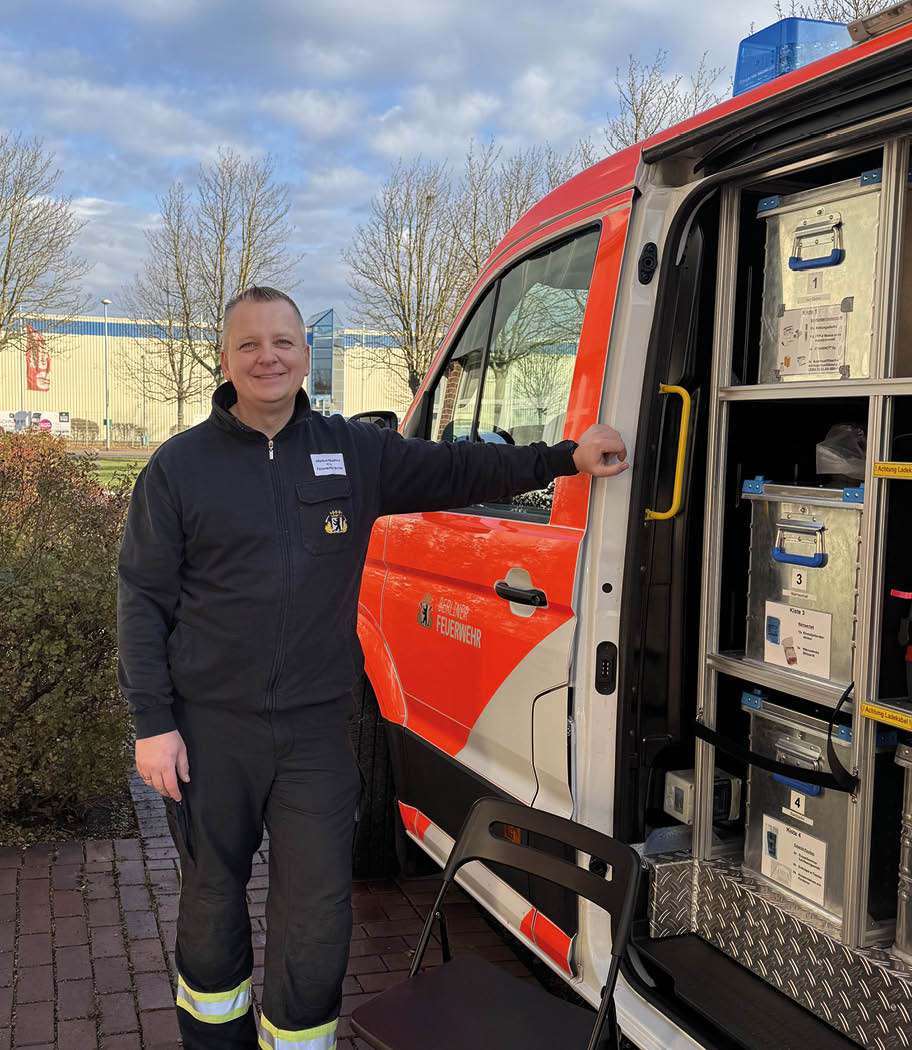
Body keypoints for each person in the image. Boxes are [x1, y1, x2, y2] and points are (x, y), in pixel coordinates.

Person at [117, 286, 629, 1050]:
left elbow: (456, 468)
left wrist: (566, 459)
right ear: (224, 359)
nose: (269, 357)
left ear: (305, 354)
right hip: (208, 731)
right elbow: (141, 600)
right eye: (251, 344)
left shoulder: (353, 451)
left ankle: (297, 1040)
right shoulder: (179, 467)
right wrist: (153, 726)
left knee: (318, 910)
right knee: (212, 900)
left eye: (284, 341)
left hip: (318, 733)